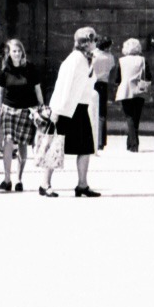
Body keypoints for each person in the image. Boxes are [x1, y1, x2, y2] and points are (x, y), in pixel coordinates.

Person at [46, 26, 101, 197]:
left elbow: (88, 83)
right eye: (94, 40)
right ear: (86, 42)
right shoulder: (75, 59)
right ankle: (45, 183)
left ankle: (82, 185)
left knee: (85, 148)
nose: (96, 43)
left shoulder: (86, 59)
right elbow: (65, 84)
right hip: (66, 109)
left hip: (80, 107)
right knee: (57, 147)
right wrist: (56, 110)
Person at [0, 39, 44, 192]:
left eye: (19, 51)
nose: (16, 54)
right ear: (9, 53)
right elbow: (0, 92)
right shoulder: (5, 71)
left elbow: (37, 89)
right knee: (7, 141)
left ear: (22, 52)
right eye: (13, 51)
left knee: (23, 144)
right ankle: (7, 179)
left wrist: (41, 108)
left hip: (26, 109)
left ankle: (19, 179)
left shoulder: (30, 68)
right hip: (9, 108)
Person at [116, 37, 149, 152]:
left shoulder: (122, 61)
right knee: (136, 118)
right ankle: (132, 143)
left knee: (129, 117)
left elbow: (117, 78)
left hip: (125, 90)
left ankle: (133, 144)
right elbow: (148, 76)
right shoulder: (143, 60)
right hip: (139, 90)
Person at [91, 36, 117, 150]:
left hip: (92, 83)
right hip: (103, 84)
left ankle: (93, 138)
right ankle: (101, 140)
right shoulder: (110, 57)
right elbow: (111, 69)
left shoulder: (93, 54)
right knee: (102, 113)